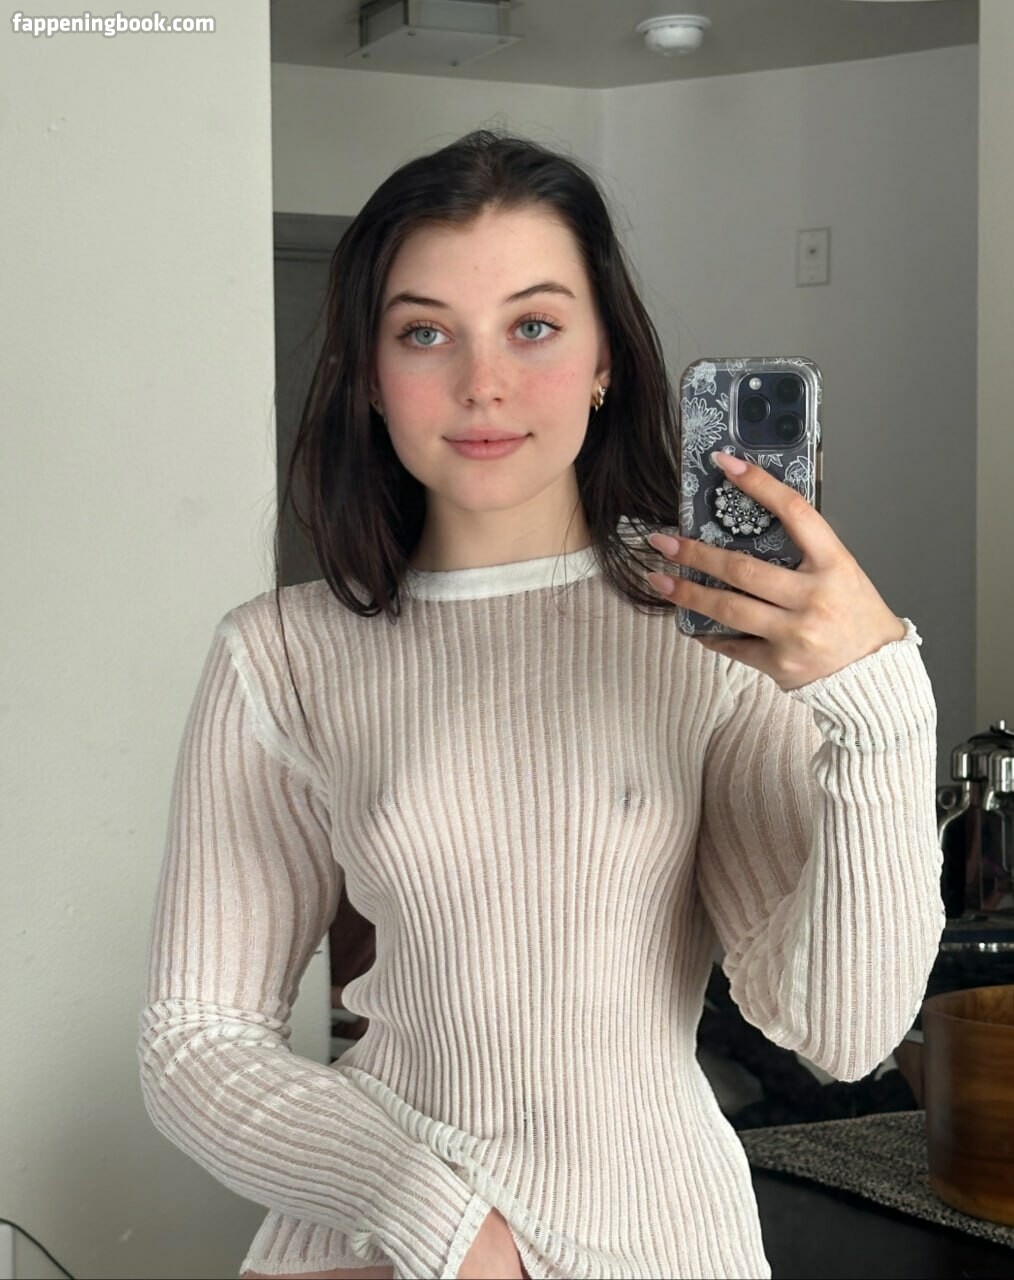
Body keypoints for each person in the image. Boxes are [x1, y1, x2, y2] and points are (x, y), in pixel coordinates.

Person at [137, 129, 945, 1280]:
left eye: (533, 326)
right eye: (426, 332)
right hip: (380, 1251)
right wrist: (443, 1222)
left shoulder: (709, 630)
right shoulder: (281, 653)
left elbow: (841, 1029)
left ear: (605, 354)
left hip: (661, 1244)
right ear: (368, 373)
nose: (483, 383)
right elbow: (195, 1038)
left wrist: (878, 703)